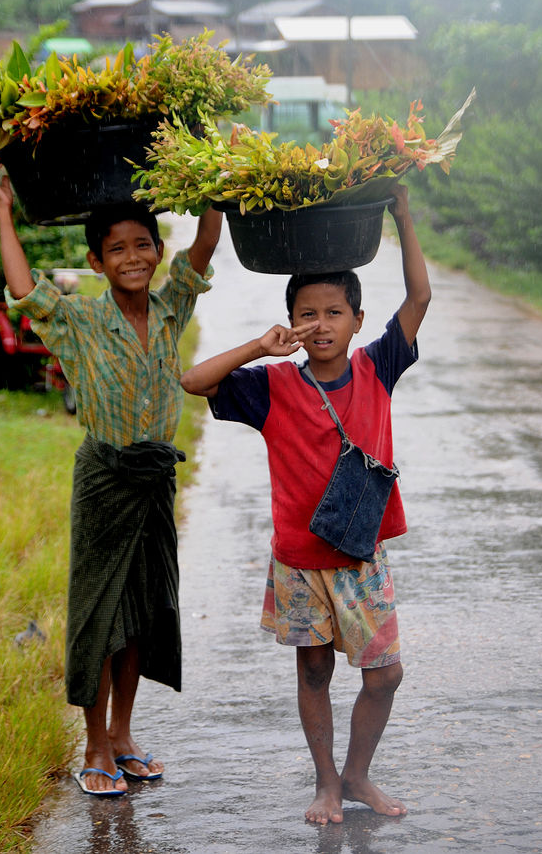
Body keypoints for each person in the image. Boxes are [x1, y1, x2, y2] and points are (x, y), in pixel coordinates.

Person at [180, 184, 430, 824]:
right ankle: (325, 782)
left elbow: (420, 297)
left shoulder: (378, 368)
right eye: (307, 314)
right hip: (299, 562)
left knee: (385, 674)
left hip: (360, 558)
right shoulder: (271, 387)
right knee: (314, 672)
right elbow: (193, 381)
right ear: (291, 321)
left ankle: (357, 775)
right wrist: (258, 348)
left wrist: (401, 215)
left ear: (357, 320)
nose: (321, 325)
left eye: (334, 312)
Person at [0, 157, 222, 797]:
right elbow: (26, 288)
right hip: (104, 480)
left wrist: (217, 191)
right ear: (96, 262)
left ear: (158, 251)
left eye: (143, 245)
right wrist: (5, 210)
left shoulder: (171, 308)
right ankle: (92, 743)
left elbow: (202, 248)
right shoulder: (80, 320)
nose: (133, 257)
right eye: (117, 249)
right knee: (99, 613)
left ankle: (123, 735)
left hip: (153, 482)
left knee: (141, 612)